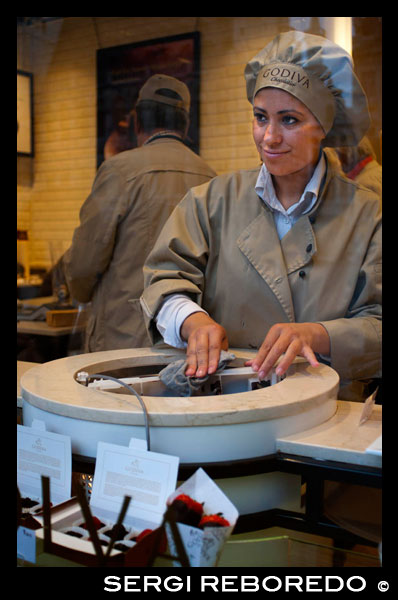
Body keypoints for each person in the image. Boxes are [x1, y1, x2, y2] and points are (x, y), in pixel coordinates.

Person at [141, 31, 381, 401]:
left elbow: (378, 323)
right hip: (223, 406)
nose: (268, 137)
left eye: (289, 120)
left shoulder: (368, 216)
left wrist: (316, 335)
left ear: (324, 126)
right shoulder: (210, 202)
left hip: (322, 414)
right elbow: (164, 282)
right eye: (260, 117)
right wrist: (193, 321)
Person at [63, 74, 216, 352]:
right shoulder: (211, 177)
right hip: (189, 341)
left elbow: (84, 264)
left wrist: (78, 292)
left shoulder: (119, 171)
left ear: (137, 122)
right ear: (186, 125)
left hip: (123, 341)